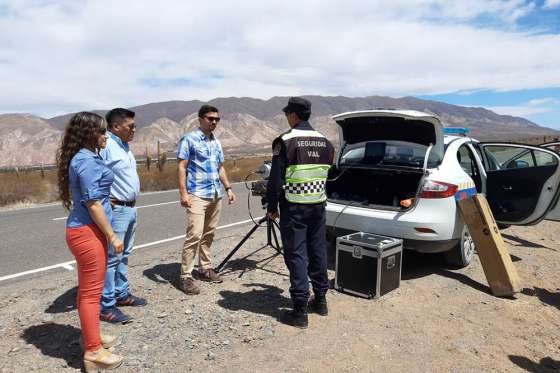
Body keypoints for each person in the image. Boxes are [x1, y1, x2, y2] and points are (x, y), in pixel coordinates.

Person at [56, 112, 124, 372]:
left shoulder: (86, 158)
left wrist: (107, 202)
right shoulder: (86, 161)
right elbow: (93, 203)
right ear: (88, 134)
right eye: (102, 131)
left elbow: (97, 198)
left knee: (88, 291)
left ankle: (90, 337)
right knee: (91, 294)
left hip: (86, 229)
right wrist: (112, 235)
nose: (106, 136)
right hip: (87, 232)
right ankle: (94, 352)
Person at [266, 97, 335, 329]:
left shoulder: (285, 141)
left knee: (296, 254)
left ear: (293, 115)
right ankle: (321, 300)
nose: (287, 117)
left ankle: (299, 310)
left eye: (287, 114)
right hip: (318, 205)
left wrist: (272, 206)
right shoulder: (326, 142)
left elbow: (276, 179)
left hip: (294, 206)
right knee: (317, 251)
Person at [176, 104, 236, 295]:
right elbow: (182, 166)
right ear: (200, 119)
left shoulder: (216, 142)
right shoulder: (189, 139)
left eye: (217, 119)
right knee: (194, 234)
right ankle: (186, 276)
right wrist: (183, 193)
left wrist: (228, 188)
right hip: (197, 194)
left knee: (209, 234)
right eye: (210, 119)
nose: (214, 122)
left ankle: (205, 268)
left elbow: (220, 167)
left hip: (215, 194)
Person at [99, 108, 146, 324]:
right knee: (111, 257)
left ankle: (121, 294)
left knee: (124, 253)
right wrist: (102, 198)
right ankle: (106, 305)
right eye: (131, 126)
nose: (134, 130)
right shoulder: (106, 145)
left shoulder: (124, 146)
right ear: (116, 126)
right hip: (116, 209)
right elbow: (92, 171)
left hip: (130, 207)